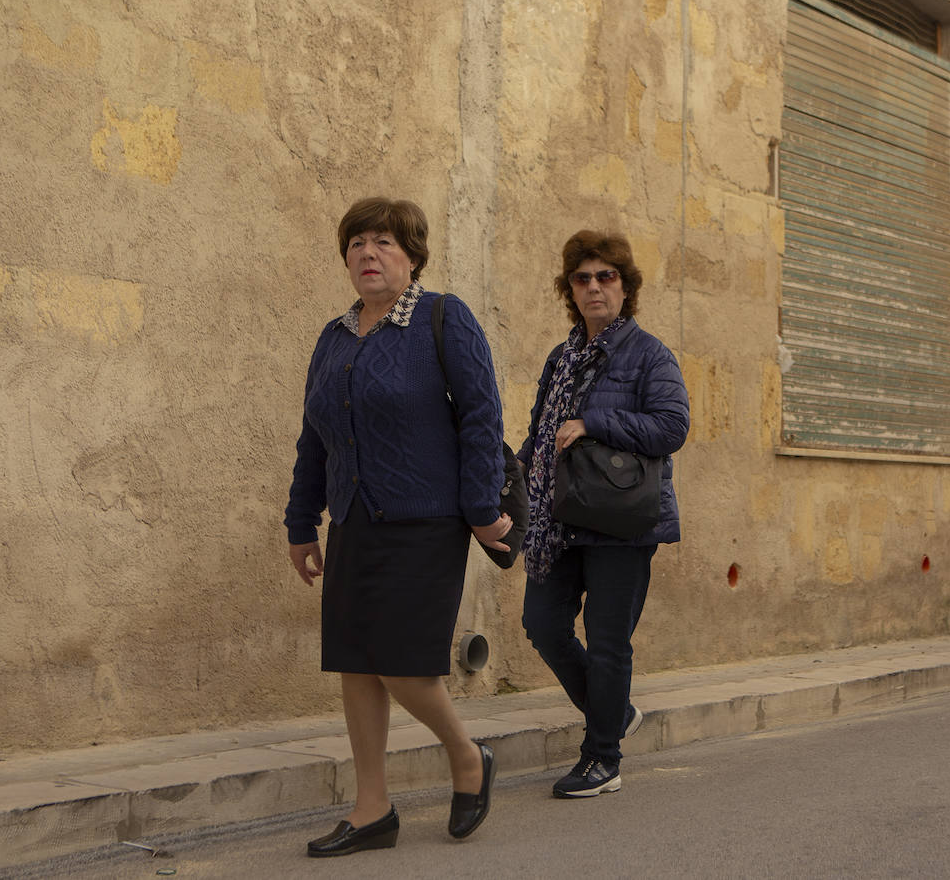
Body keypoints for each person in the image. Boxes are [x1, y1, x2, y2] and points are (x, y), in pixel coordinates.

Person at [284, 197, 509, 856]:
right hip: (354, 522)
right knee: (357, 665)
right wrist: (301, 522)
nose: (368, 253)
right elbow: (315, 437)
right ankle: (372, 808)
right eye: (357, 243)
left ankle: (466, 755)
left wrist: (480, 510)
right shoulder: (333, 337)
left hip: (426, 521)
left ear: (412, 256)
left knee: (405, 667)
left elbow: (482, 416)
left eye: (383, 242)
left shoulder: (444, 317)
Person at [518, 230, 689, 798]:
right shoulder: (561, 357)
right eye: (582, 278)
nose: (594, 287)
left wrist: (595, 423)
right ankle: (614, 712)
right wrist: (513, 474)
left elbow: (672, 427)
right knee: (542, 624)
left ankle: (602, 758)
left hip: (621, 521)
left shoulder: (649, 354)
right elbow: (544, 432)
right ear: (571, 290)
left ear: (625, 286)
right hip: (559, 519)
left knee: (608, 641)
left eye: (606, 276)